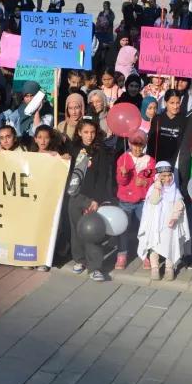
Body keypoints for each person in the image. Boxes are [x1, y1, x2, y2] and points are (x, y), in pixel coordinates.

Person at [65, 118, 115, 281]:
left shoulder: (100, 151)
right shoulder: (74, 149)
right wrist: (64, 157)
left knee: (92, 231)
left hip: (91, 198)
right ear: (79, 133)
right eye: (86, 132)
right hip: (75, 196)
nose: (89, 135)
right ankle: (79, 260)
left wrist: (96, 199)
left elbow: (103, 177)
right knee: (76, 230)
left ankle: (95, 267)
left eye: (92, 132)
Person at [137, 161, 190, 281]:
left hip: (170, 224)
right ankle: (155, 268)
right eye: (163, 176)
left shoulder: (174, 190)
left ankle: (169, 268)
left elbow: (179, 205)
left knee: (171, 244)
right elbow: (153, 201)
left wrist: (175, 217)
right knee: (154, 244)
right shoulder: (154, 189)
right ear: (157, 176)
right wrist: (157, 187)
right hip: (155, 224)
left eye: (169, 175)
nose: (167, 178)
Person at [114, 131, 155, 270]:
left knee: (144, 229)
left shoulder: (149, 160)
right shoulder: (124, 158)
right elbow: (120, 181)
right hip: (125, 201)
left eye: (140, 145)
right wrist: (123, 174)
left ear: (144, 145)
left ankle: (145, 254)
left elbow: (154, 179)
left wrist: (145, 182)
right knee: (123, 228)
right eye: (135, 145)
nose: (138, 148)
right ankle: (122, 254)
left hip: (142, 201)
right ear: (130, 144)